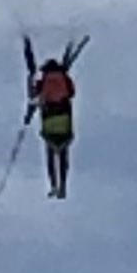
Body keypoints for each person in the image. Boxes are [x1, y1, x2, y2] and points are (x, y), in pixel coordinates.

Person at [22, 31, 85, 198]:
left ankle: (53, 185)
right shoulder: (64, 78)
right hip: (65, 120)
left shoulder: (43, 82)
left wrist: (28, 116)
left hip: (49, 121)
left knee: (51, 156)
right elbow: (71, 93)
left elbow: (34, 97)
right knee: (63, 155)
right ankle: (63, 185)